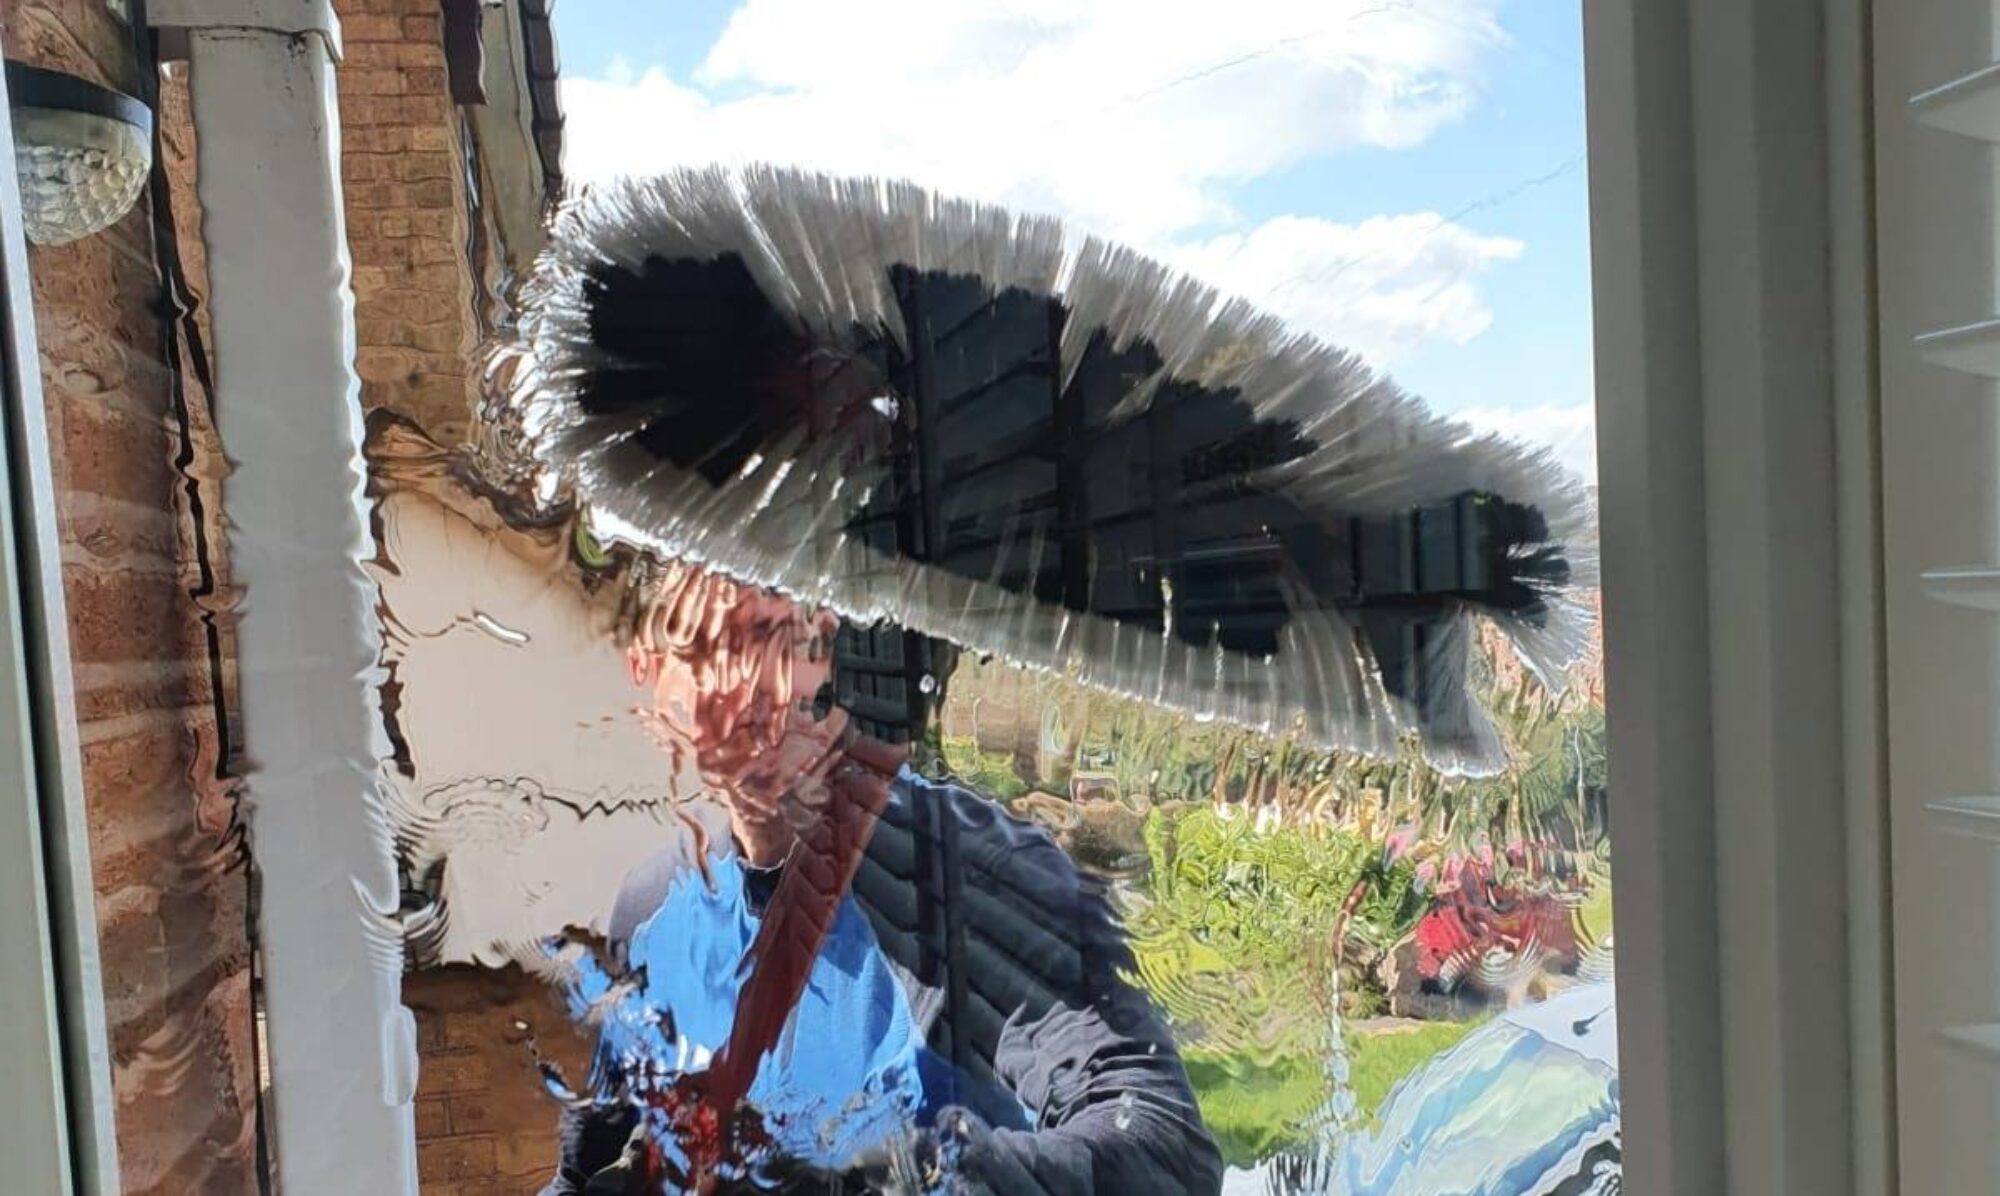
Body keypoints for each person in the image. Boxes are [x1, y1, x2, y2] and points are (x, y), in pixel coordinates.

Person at [540, 561, 1223, 1195]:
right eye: (710, 648)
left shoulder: (961, 869)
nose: (752, 685)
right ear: (648, 672)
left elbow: (1165, 1146)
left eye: (775, 639)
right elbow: (584, 1170)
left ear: (822, 649)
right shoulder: (651, 909)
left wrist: (896, 1176)